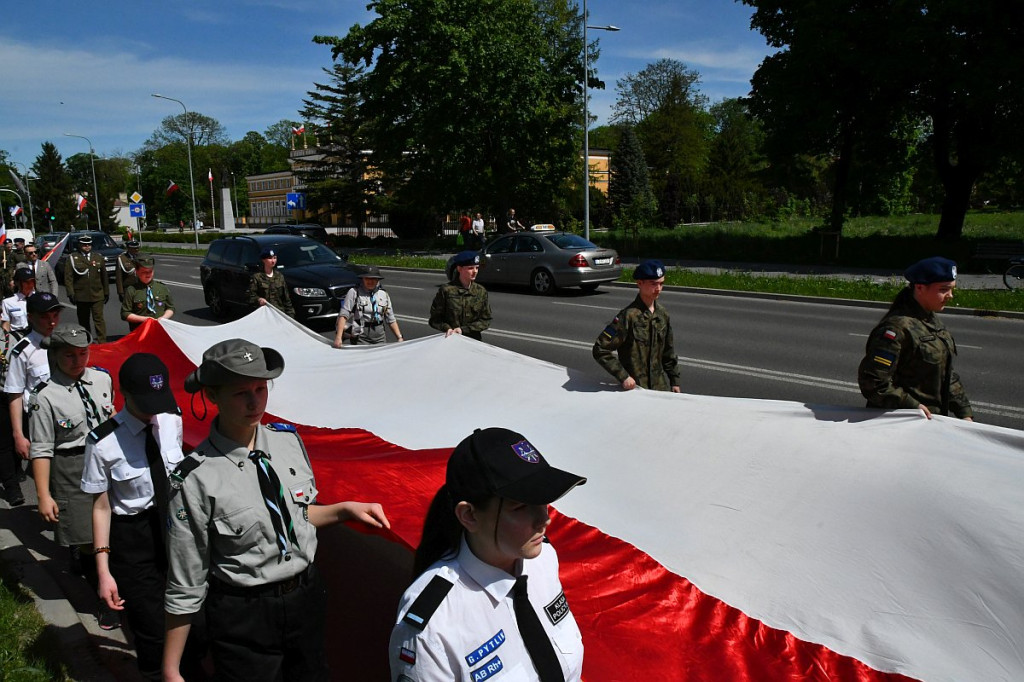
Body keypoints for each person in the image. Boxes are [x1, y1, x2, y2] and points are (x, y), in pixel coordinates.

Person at [162, 339, 390, 682]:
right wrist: (171, 667)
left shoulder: (287, 442)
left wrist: (343, 510)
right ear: (212, 396)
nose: (255, 402)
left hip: (305, 598)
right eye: (241, 393)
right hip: (244, 614)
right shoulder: (195, 478)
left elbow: (294, 517)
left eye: (260, 388)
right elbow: (186, 578)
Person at [390, 427, 587, 682]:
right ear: (469, 515)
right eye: (521, 507)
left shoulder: (543, 560)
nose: (544, 519)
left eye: (543, 500)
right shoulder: (434, 626)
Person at [82, 353, 204, 680]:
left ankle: (187, 669)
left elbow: (175, 474)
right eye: (146, 401)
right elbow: (102, 507)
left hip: (175, 528)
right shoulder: (103, 442)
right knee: (151, 627)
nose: (154, 409)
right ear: (125, 393)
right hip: (133, 539)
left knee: (191, 613)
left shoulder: (171, 418)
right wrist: (104, 571)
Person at [29, 323, 115, 576]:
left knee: (112, 528)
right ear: (54, 355)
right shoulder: (45, 396)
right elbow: (42, 449)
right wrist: (44, 495)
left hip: (107, 462)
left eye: (82, 353)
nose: (77, 360)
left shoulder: (102, 378)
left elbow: (112, 416)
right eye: (69, 354)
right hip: (72, 468)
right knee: (86, 536)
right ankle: (93, 583)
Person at [858, 256, 973, 420]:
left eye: (952, 289)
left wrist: (964, 412)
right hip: (899, 424)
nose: (950, 295)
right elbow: (874, 383)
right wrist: (912, 407)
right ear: (920, 288)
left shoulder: (931, 322)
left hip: (928, 423)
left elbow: (945, 374)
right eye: (943, 290)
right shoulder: (896, 329)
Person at [593, 260, 681, 392]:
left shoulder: (662, 314)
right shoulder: (628, 316)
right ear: (639, 283)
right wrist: (624, 377)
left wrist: (675, 382)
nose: (658, 289)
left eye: (661, 283)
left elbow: (668, 352)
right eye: (653, 284)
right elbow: (600, 349)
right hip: (636, 390)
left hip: (660, 388)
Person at [4, 292, 62, 474]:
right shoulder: (22, 351)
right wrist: (18, 435)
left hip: (65, 418)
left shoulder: (65, 343)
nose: (52, 322)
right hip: (39, 423)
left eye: (55, 316)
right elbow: (15, 394)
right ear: (30, 317)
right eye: (45, 317)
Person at [332, 267, 404, 347]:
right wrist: (338, 337)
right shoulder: (354, 292)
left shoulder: (383, 294)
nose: (370, 281)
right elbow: (343, 315)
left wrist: (399, 337)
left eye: (374, 279)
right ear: (363, 279)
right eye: (367, 279)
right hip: (360, 335)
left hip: (380, 336)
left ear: (378, 280)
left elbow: (391, 319)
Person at [429, 251, 492, 341]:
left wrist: (463, 330)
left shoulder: (480, 291)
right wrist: (447, 328)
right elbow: (435, 319)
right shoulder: (447, 290)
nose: (475, 271)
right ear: (459, 269)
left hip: (473, 341)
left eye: (477, 268)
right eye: (470, 268)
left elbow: (486, 320)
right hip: (451, 340)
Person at [64, 234, 109, 343]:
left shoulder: (98, 257)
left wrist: (106, 292)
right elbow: (68, 278)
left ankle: (102, 341)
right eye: (84, 245)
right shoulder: (73, 258)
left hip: (97, 294)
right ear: (79, 245)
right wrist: (71, 293)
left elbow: (104, 277)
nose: (87, 247)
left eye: (89, 244)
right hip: (81, 295)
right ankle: (87, 341)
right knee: (83, 320)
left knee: (99, 319)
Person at [120, 256, 175, 331]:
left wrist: (163, 318)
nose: (148, 274)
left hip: (160, 329)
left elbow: (170, 308)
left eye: (150, 271)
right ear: (137, 272)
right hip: (140, 331)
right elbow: (125, 314)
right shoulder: (132, 290)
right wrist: (144, 319)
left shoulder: (162, 288)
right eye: (144, 272)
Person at [247, 248, 295, 318]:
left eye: (275, 258)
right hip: (264, 315)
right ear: (263, 260)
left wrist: (290, 315)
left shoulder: (279, 276)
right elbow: (250, 296)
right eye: (270, 258)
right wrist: (258, 300)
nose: (273, 261)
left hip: (279, 313)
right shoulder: (257, 277)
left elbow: (286, 299)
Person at [2, 268, 35, 336]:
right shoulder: (8, 302)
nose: (29, 284)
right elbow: (6, 325)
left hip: (37, 338)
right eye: (25, 282)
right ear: (17, 282)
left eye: (32, 281)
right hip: (18, 337)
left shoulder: (39, 299)